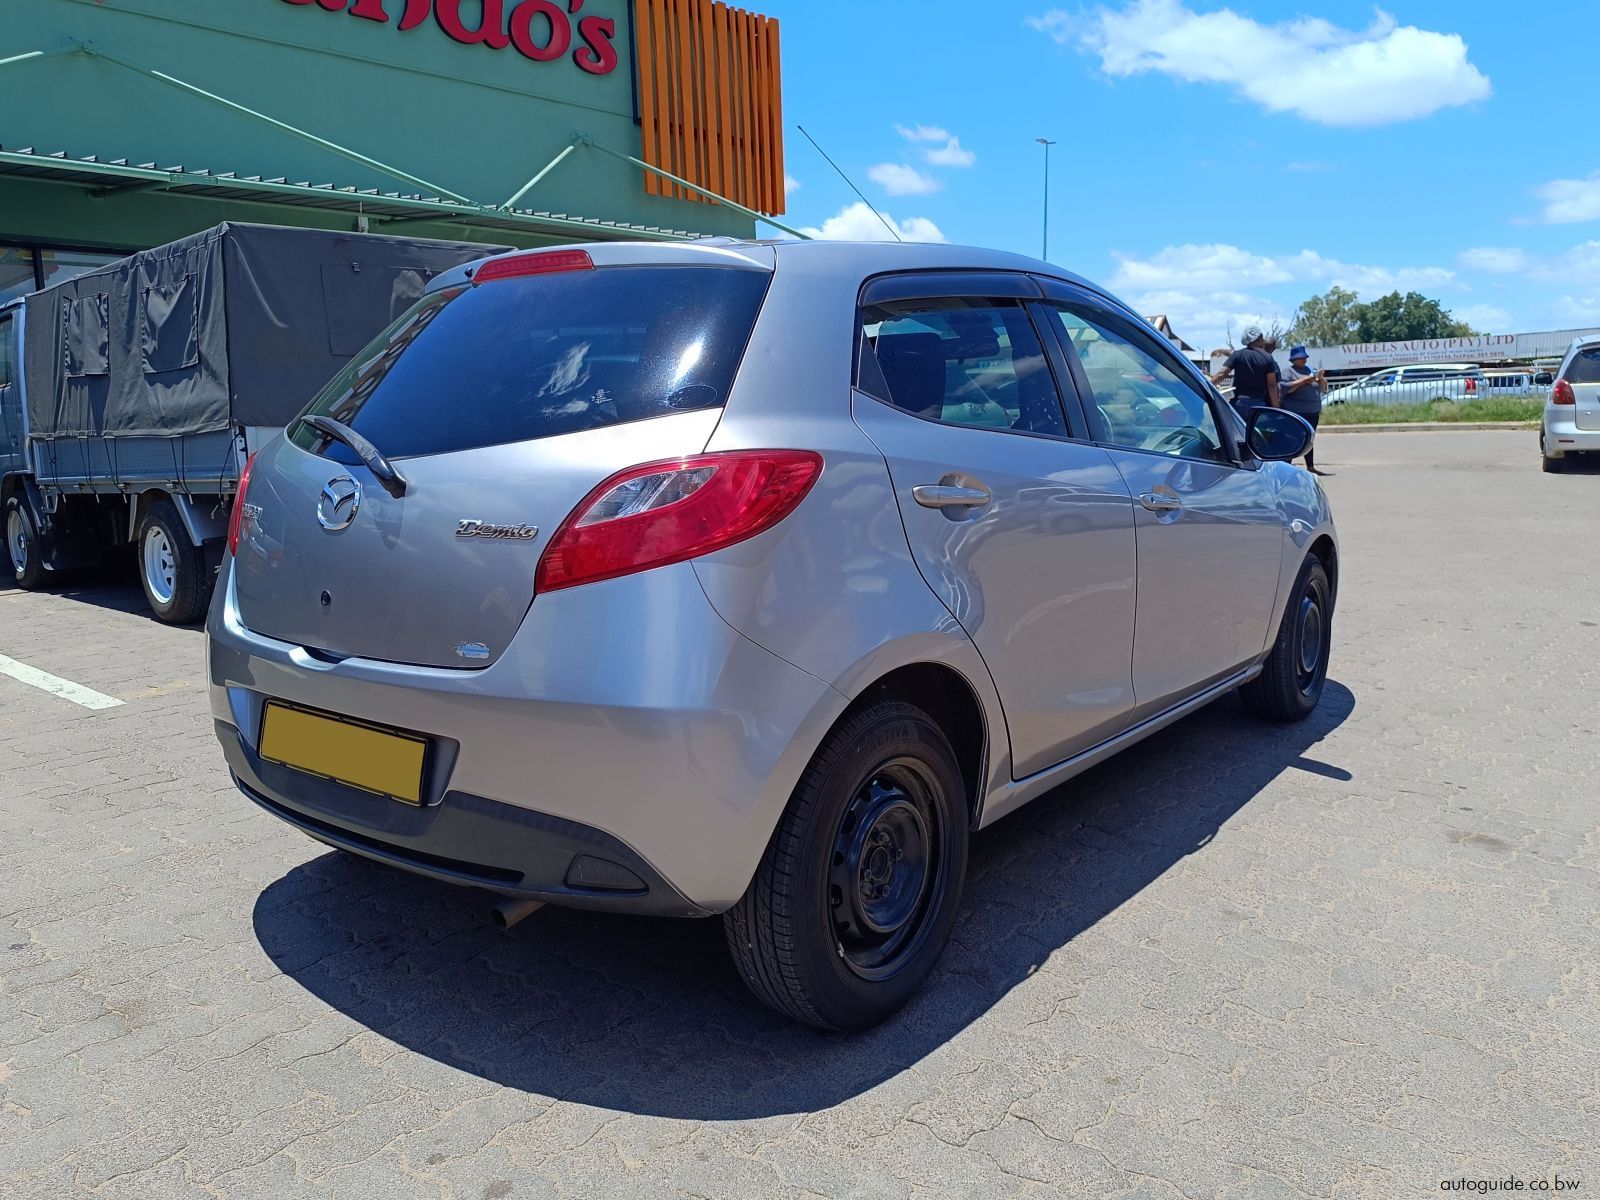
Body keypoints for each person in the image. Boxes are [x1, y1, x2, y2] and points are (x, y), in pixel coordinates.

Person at [1211, 325, 1280, 423]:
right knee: (1255, 435)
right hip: (1259, 405)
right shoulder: (1267, 358)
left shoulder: (1237, 355)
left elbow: (1221, 374)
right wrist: (1276, 408)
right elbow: (1272, 385)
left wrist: (1205, 385)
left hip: (1239, 403)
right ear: (1259, 339)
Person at [1280, 343, 1330, 475]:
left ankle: (1311, 466)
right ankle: (1287, 466)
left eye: (1304, 357)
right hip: (1296, 411)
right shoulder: (1288, 371)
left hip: (1312, 411)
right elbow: (1286, 388)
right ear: (1293, 359)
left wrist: (1321, 379)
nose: (1303, 360)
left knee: (1309, 438)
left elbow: (1323, 388)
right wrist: (1306, 380)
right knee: (1292, 438)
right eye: (1300, 358)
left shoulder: (1310, 370)